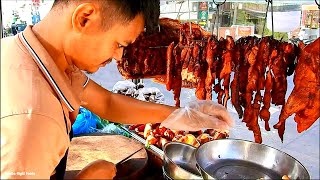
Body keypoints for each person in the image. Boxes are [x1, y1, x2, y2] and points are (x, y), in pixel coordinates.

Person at [1, 0, 232, 179]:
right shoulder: (33, 118)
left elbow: (106, 102)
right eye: (119, 44)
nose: (119, 56)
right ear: (84, 18)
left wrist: (178, 115)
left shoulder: (35, 57)